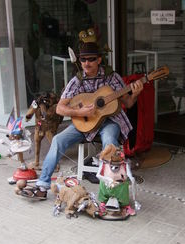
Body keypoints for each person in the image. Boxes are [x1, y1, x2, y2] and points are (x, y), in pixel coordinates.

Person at [21, 42, 143, 200]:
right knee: (57, 140)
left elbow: (128, 103)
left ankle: (110, 191)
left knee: (109, 143)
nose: (86, 63)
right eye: (83, 59)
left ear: (99, 60)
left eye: (91, 59)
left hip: (110, 121)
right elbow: (60, 108)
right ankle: (42, 186)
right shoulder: (77, 81)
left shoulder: (112, 77)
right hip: (84, 124)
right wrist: (79, 111)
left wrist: (136, 93)